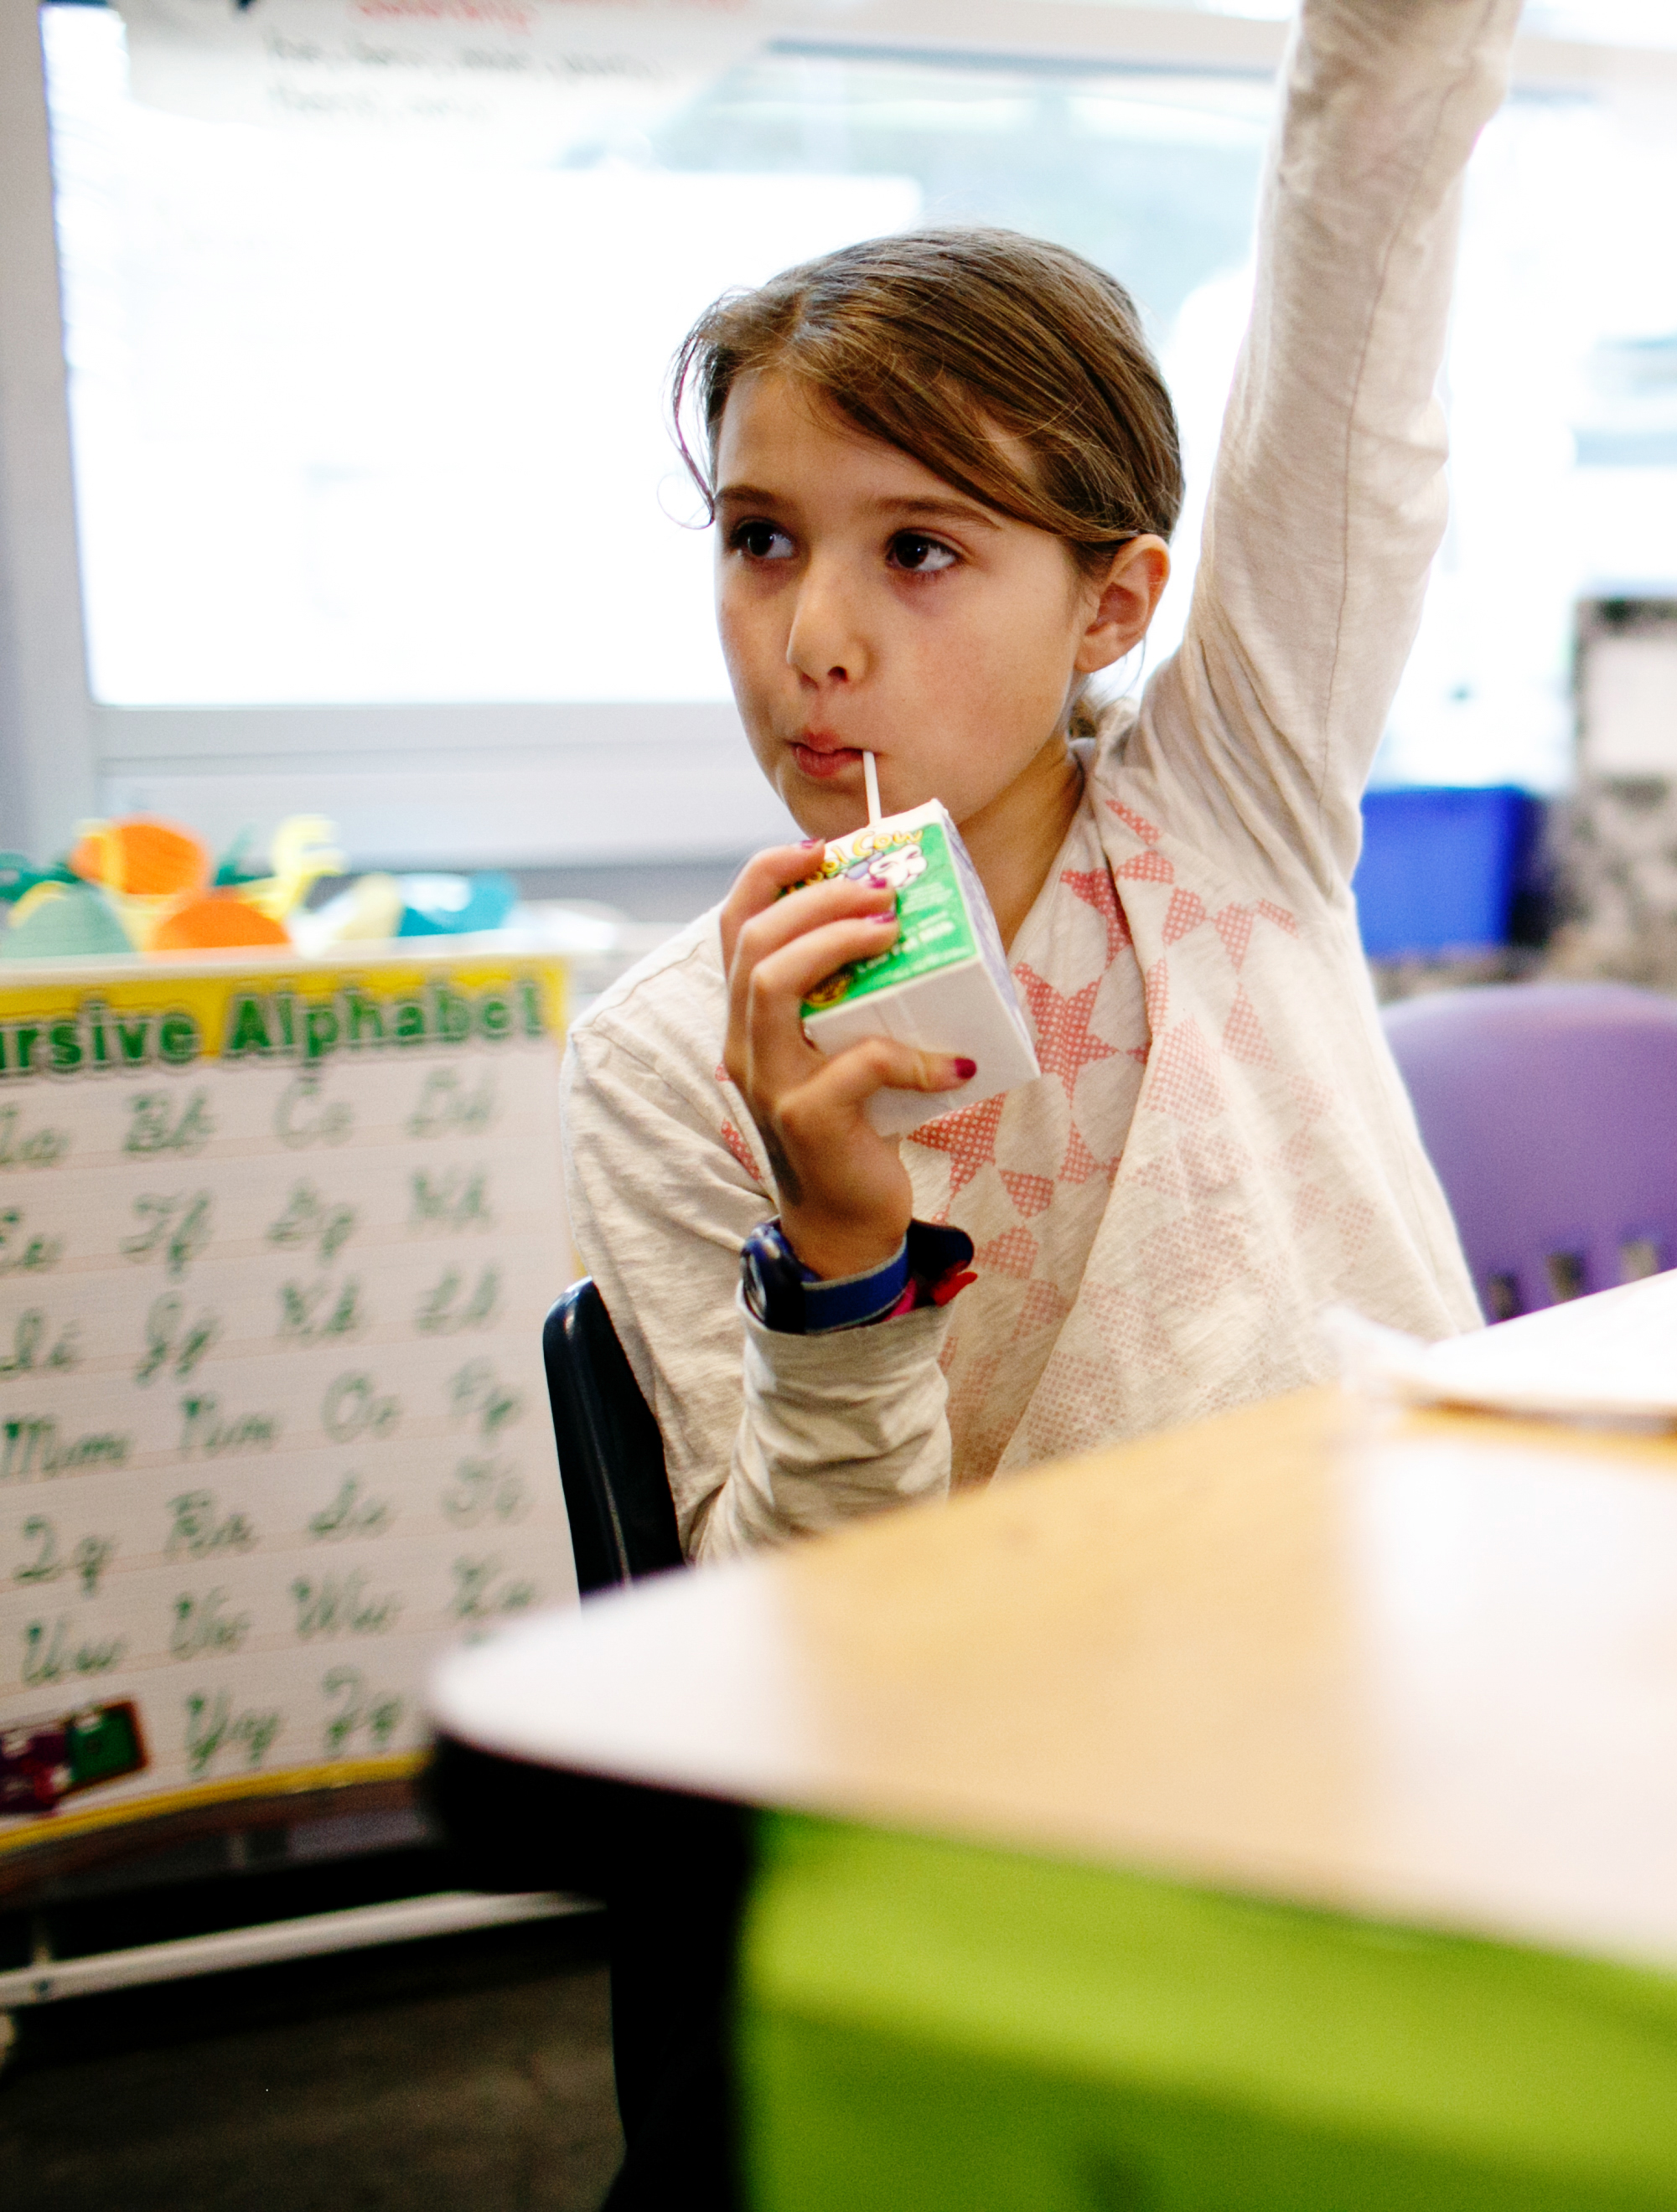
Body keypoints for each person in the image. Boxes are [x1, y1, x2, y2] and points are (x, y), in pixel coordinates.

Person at [562, 0, 1518, 1561]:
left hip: (1425, 1630)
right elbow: (786, 1632)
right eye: (759, 539)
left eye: (920, 549)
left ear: (1114, 605)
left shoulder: (1226, 804)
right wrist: (844, 1255)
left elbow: (1361, 342)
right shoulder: (670, 1060)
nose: (811, 639)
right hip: (1028, 1746)